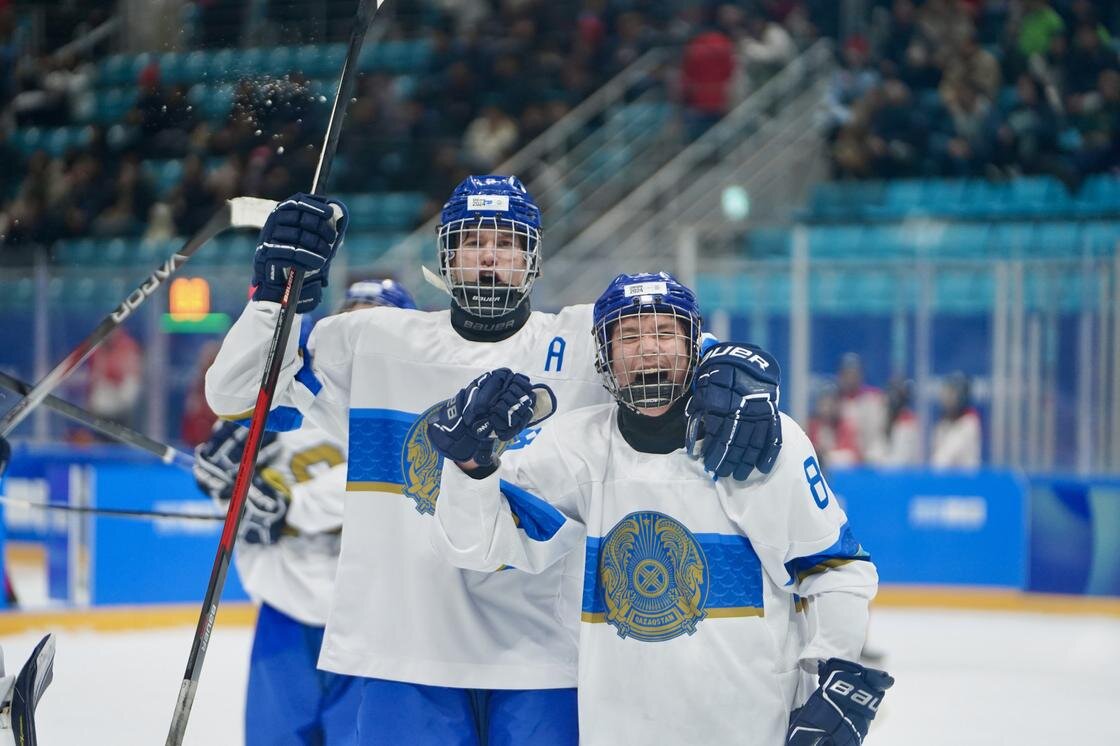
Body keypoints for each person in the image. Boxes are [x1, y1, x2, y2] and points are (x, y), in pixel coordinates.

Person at [204, 178, 782, 743]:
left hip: (547, 657)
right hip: (403, 652)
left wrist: (741, 371)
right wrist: (276, 297)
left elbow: (694, 356)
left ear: (531, 257)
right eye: (473, 242)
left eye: (506, 243)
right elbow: (233, 395)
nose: (489, 259)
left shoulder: (583, 340)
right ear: (446, 255)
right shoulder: (370, 340)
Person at [427, 272, 891, 745]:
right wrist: (471, 469)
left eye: (666, 333)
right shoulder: (573, 450)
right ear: (603, 356)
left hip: (750, 728)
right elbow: (478, 548)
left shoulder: (761, 444)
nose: (648, 349)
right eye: (628, 336)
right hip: (618, 730)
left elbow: (834, 568)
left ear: (695, 347)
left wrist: (840, 676)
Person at [193, 279, 417, 746]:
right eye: (351, 319)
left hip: (371, 620)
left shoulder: (415, 409)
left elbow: (379, 491)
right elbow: (236, 477)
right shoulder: (297, 396)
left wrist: (290, 507)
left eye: (375, 323)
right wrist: (232, 490)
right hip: (286, 609)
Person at [931, 372, 981, 469]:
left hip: (964, 482)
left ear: (962, 396)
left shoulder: (969, 423)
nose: (946, 398)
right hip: (947, 480)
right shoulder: (944, 423)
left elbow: (943, 460)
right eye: (945, 393)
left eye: (951, 394)